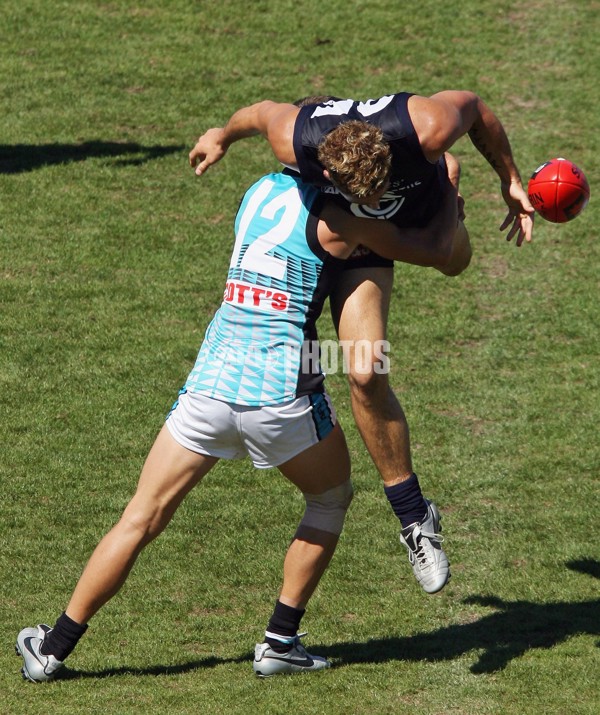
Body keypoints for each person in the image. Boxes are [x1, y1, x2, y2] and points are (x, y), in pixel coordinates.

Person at [16, 166, 460, 683]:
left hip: (209, 387)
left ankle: (52, 647)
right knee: (330, 499)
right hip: (281, 400)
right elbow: (434, 249)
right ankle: (280, 641)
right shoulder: (344, 224)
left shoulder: (259, 190)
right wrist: (444, 191)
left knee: (140, 517)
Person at [188, 90, 535, 594]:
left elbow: (476, 108)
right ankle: (416, 517)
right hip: (327, 227)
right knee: (343, 356)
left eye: (374, 191)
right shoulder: (296, 139)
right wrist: (221, 134)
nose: (368, 200)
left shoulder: (428, 126)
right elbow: (261, 112)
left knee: (369, 366)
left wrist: (509, 181)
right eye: (360, 193)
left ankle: (415, 520)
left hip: (391, 227)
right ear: (323, 169)